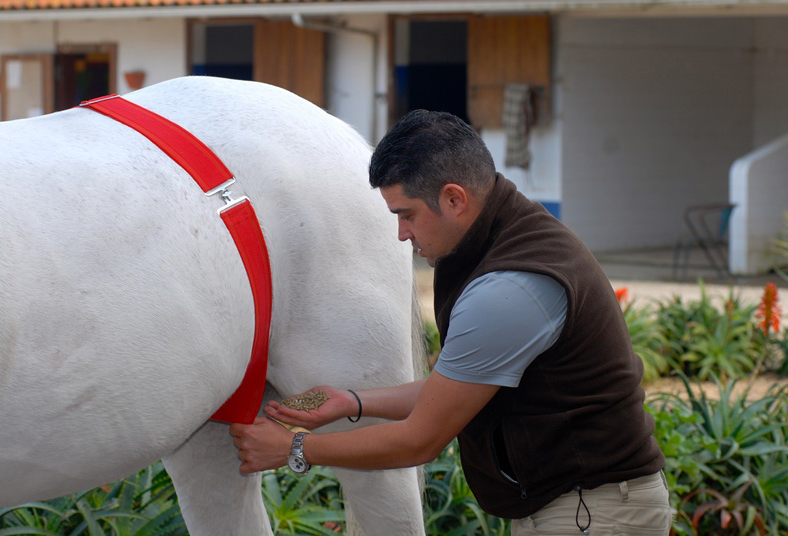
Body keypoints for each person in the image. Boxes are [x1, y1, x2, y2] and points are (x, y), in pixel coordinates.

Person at [230, 110, 672, 535]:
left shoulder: (510, 289)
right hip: (584, 508)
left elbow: (420, 440)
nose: (402, 234)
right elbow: (460, 384)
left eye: (406, 214)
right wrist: (351, 401)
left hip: (592, 515)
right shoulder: (505, 236)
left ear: (454, 199)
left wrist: (294, 449)